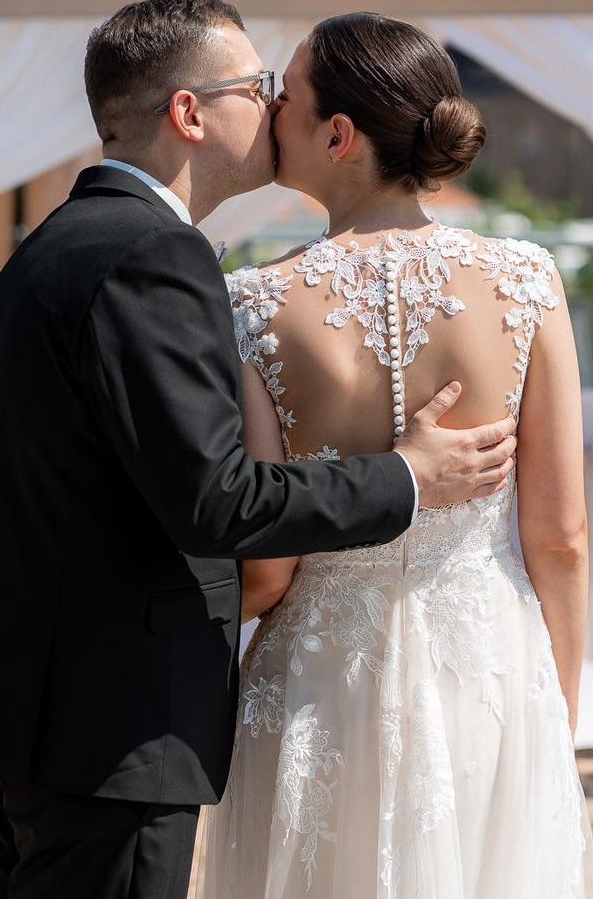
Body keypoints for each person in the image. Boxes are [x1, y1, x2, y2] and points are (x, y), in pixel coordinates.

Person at [0, 3, 518, 899]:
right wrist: (407, 474)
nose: (275, 107)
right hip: (114, 733)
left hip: (47, 715)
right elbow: (217, 500)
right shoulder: (152, 253)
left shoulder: (48, 248)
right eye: (258, 87)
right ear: (191, 114)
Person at [195, 13, 593, 899]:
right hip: (489, 673)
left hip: (320, 687)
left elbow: (265, 570)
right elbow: (561, 534)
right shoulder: (528, 282)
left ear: (338, 136)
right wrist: (550, 713)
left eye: (283, 97)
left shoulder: (254, 303)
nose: (267, 112)